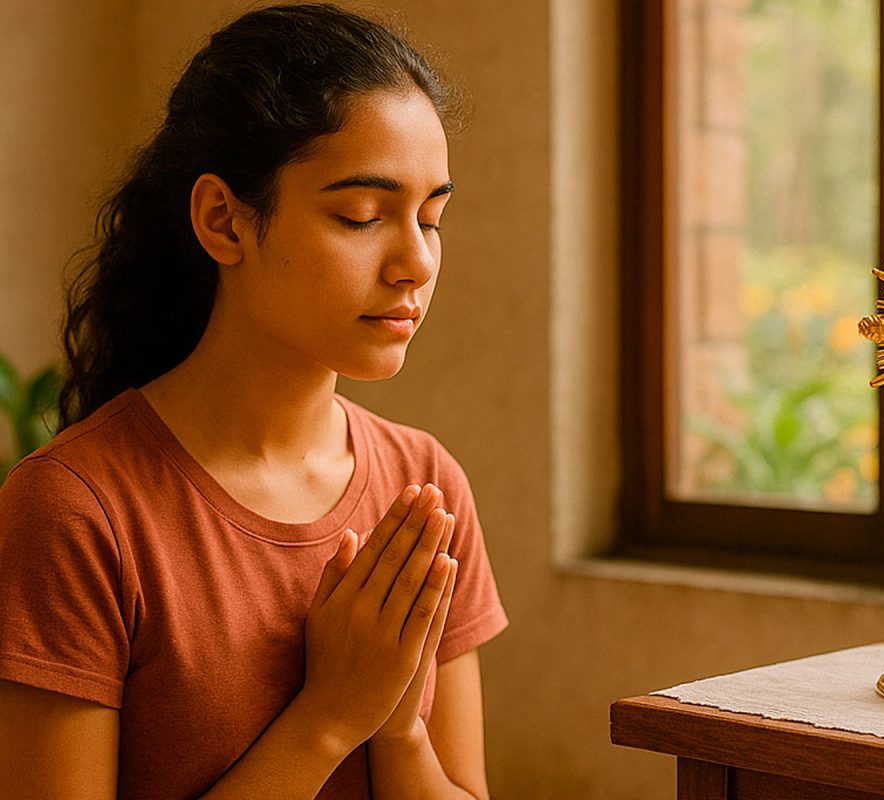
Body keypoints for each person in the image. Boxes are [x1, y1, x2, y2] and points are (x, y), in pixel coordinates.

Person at [0, 4, 507, 798]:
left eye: (432, 218)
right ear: (222, 221)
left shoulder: (426, 489)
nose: (415, 262)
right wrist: (332, 717)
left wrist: (399, 728)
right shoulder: (75, 510)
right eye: (362, 216)